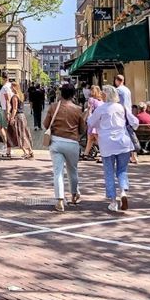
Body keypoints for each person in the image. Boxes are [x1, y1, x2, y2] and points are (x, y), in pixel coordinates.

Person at [88, 85, 138, 212]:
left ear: (105, 95)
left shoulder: (101, 109)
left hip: (106, 143)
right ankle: (123, 192)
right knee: (122, 170)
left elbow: (90, 122)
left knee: (109, 171)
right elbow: (134, 122)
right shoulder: (122, 107)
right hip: (123, 141)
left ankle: (113, 201)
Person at [44, 83, 86, 212]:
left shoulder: (53, 107)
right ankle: (74, 195)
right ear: (73, 95)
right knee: (72, 170)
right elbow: (82, 129)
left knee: (58, 172)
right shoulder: (78, 109)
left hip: (56, 142)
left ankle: (60, 200)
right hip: (72, 143)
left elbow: (46, 124)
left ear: (61, 94)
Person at [6, 81, 34, 159]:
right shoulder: (21, 96)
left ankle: (25, 151)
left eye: (11, 87)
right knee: (21, 133)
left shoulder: (15, 96)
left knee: (19, 134)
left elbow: (14, 108)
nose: (10, 88)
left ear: (14, 87)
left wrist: (11, 118)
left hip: (17, 117)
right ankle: (29, 151)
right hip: (22, 116)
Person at [114, 75, 137, 163]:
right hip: (128, 113)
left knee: (124, 134)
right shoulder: (127, 89)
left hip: (121, 114)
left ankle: (129, 154)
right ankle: (133, 155)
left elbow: (116, 102)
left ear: (117, 80)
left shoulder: (118, 90)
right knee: (129, 133)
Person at [83, 85, 104, 160]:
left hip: (95, 121)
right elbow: (90, 111)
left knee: (91, 139)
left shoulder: (93, 100)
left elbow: (90, 111)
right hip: (96, 121)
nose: (91, 92)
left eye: (92, 90)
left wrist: (89, 120)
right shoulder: (99, 101)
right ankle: (103, 154)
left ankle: (86, 154)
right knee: (98, 139)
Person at [0, 71, 13, 156]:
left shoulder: (6, 87)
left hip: (4, 110)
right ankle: (5, 144)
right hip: (2, 108)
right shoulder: (8, 86)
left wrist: (7, 111)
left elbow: (8, 99)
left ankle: (7, 146)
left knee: (5, 129)